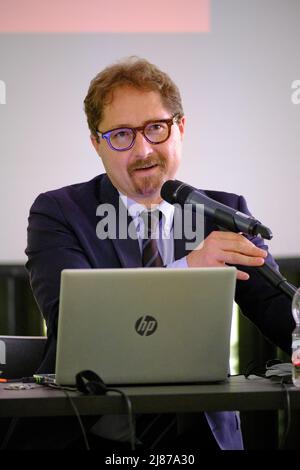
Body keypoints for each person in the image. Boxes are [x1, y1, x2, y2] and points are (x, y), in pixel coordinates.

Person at [21, 57, 294, 450]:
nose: (143, 150)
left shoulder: (222, 213)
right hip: (90, 433)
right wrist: (188, 269)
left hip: (199, 437)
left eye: (155, 128)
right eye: (121, 135)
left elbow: (280, 311)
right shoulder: (60, 213)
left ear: (180, 127)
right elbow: (74, 325)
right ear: (96, 143)